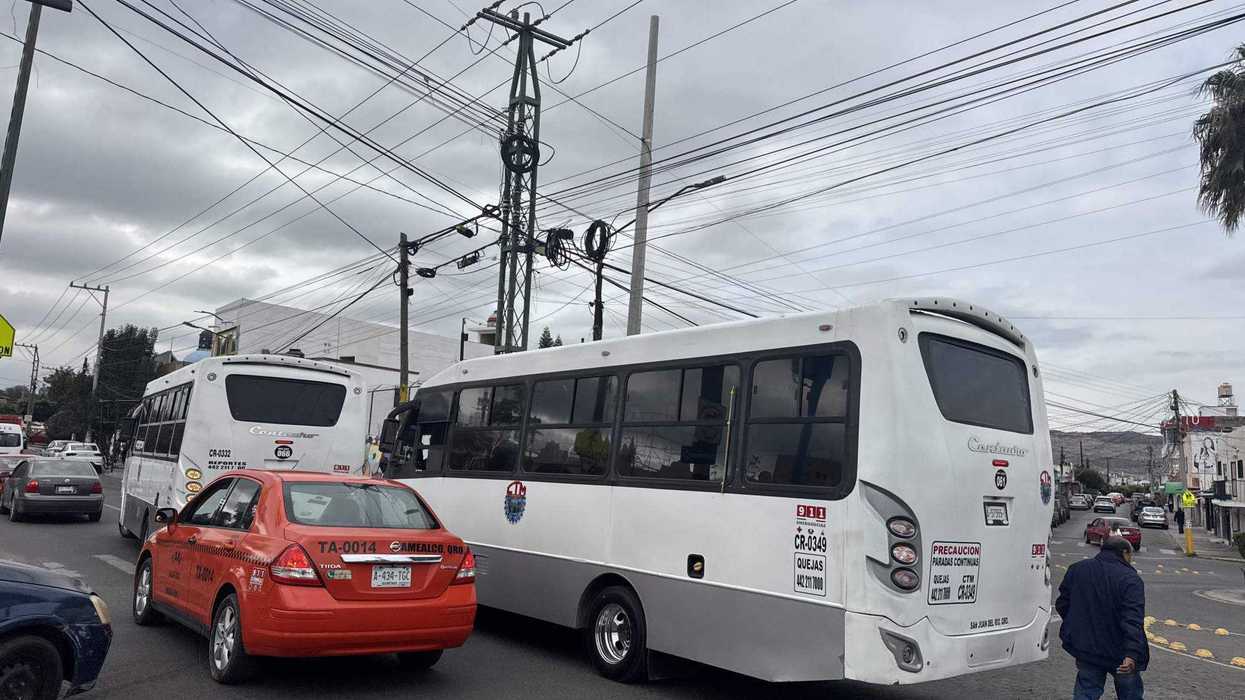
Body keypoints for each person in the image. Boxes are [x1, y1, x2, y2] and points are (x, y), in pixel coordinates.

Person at [1055, 536, 1148, 700]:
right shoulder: (1130, 579)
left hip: (1087, 647)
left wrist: (1077, 627)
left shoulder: (1077, 569)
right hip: (1120, 651)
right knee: (1130, 693)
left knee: (1086, 691)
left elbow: (1063, 604)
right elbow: (1133, 619)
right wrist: (1132, 653)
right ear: (1125, 553)